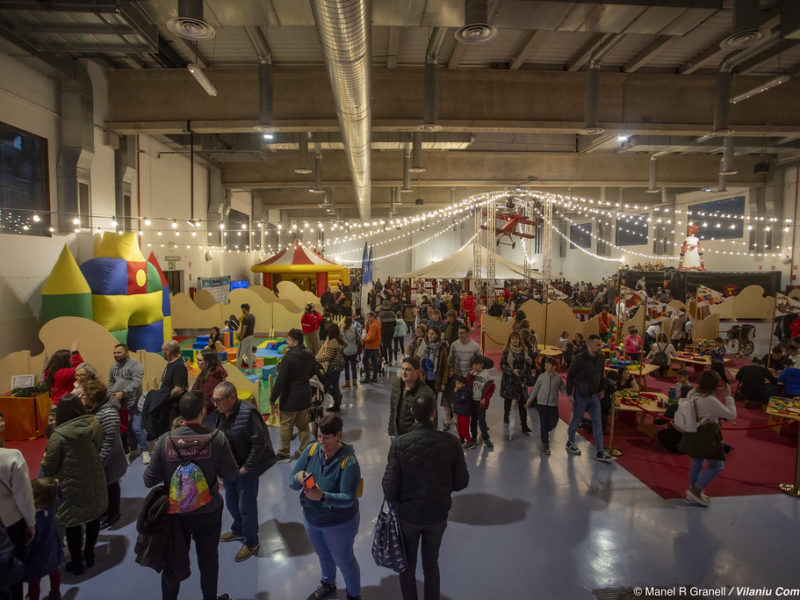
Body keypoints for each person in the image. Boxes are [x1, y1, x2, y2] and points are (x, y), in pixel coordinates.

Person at [144, 391, 238, 600]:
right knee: (208, 560)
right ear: (203, 411)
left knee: (172, 559)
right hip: (208, 510)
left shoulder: (165, 440)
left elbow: (148, 479)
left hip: (175, 512)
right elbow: (231, 474)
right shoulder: (216, 438)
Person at [382, 392, 469, 600]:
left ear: (412, 413)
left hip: (408, 517)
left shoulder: (400, 445)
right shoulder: (451, 442)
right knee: (431, 565)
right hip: (437, 515)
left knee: (407, 566)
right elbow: (462, 482)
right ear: (433, 414)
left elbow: (389, 489)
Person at [290, 414, 362, 600]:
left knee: (345, 561)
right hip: (312, 519)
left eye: (326, 438)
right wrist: (298, 478)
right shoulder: (312, 450)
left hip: (339, 524)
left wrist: (322, 496)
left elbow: (348, 498)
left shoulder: (349, 462)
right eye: (319, 436)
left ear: (338, 435)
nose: (322, 442)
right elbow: (292, 482)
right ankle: (327, 583)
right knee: (323, 555)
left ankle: (353, 595)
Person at [40, 394, 107, 576]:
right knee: (93, 516)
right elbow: (99, 444)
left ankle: (77, 562)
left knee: (73, 523)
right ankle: (90, 554)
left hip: (70, 483)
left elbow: (49, 466)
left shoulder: (58, 436)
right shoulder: (93, 424)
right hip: (93, 476)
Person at [212, 381, 275, 563]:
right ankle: (238, 529)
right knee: (231, 502)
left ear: (232, 397)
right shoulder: (222, 413)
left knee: (246, 507)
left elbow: (259, 442)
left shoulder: (248, 413)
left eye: (219, 400)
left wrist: (247, 467)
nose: (215, 404)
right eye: (214, 401)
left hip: (246, 469)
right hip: (229, 469)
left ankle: (251, 541)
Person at [682, 372, 736, 507]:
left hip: (694, 431)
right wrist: (729, 397)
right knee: (717, 465)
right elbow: (731, 415)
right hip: (708, 435)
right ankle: (696, 490)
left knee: (697, 461)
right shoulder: (710, 400)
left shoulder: (693, 393)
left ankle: (693, 491)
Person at [82, 380, 128, 530]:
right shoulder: (97, 409)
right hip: (104, 458)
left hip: (110, 460)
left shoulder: (108, 413)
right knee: (108, 486)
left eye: (84, 396)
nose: (82, 398)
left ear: (93, 398)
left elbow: (109, 443)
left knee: (111, 486)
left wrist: (100, 462)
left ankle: (113, 514)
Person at [565, 334, 616, 462]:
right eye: (597, 345)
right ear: (589, 344)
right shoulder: (579, 359)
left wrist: (603, 389)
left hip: (595, 396)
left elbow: (601, 374)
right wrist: (569, 393)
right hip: (580, 395)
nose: (600, 347)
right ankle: (570, 441)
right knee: (576, 420)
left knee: (597, 423)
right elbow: (570, 375)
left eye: (601, 345)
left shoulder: (601, 359)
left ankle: (600, 451)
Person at [270, 328, 315, 462]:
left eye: (289, 340)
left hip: (290, 396)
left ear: (295, 342)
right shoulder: (310, 354)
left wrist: (273, 397)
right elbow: (313, 371)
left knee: (286, 424)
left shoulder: (289, 358)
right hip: (305, 393)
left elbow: (281, 379)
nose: (286, 341)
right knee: (303, 424)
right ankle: (305, 450)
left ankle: (284, 453)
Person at [140, 340, 189, 454]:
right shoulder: (171, 363)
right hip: (167, 405)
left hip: (171, 407)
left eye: (162, 350)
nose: (161, 352)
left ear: (168, 352)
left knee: (171, 435)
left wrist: (162, 399)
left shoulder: (178, 366)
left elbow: (179, 389)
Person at [0, 444, 34, 600]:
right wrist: (31, 522)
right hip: (12, 523)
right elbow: (23, 496)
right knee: (13, 575)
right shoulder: (11, 457)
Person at [23, 478, 63, 600]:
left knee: (34, 581)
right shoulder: (53, 504)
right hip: (52, 546)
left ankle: (33, 597)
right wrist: (57, 486)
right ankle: (55, 593)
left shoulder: (32, 517)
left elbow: (29, 540)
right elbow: (60, 497)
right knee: (54, 571)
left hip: (36, 554)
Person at [108, 343, 144, 460]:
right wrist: (110, 393)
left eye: (119, 352)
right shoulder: (113, 367)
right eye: (114, 353)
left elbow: (137, 381)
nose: (116, 355)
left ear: (127, 353)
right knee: (125, 427)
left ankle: (144, 450)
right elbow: (111, 381)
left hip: (134, 400)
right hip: (119, 402)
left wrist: (124, 392)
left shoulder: (135, 364)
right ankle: (132, 448)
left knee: (137, 427)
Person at [388, 357, 436, 438]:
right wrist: (391, 431)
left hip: (414, 438)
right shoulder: (396, 386)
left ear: (417, 372)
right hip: (396, 436)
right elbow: (393, 411)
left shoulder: (426, 394)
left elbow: (431, 421)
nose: (404, 373)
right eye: (402, 369)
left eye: (408, 370)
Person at [527, 357, 565, 455]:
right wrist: (529, 400)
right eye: (545, 365)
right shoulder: (542, 376)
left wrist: (569, 396)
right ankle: (545, 443)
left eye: (548, 365)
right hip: (542, 403)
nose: (546, 367)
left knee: (554, 420)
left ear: (553, 367)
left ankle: (546, 429)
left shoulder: (558, 378)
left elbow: (563, 389)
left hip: (553, 403)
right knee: (543, 422)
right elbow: (535, 389)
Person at [499, 331, 532, 433]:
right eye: (513, 338)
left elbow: (528, 367)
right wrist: (511, 371)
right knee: (508, 401)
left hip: (521, 382)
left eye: (517, 338)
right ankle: (506, 415)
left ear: (519, 340)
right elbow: (502, 365)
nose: (515, 340)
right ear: (510, 340)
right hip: (509, 381)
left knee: (523, 403)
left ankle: (524, 425)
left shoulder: (524, 351)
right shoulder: (506, 352)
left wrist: (530, 363)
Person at [466, 355, 495, 449]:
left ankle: (486, 438)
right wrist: (470, 375)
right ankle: (473, 438)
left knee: (482, 421)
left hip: (481, 402)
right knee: (473, 421)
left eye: (477, 365)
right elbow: (467, 384)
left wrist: (485, 398)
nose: (475, 367)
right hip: (473, 401)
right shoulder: (472, 374)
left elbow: (490, 388)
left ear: (482, 365)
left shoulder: (486, 374)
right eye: (474, 364)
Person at [193, 349, 229, 423]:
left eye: (200, 360)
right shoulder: (207, 372)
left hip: (209, 413)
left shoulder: (212, 378)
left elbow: (209, 399)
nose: (197, 362)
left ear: (207, 363)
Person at [44, 340, 83, 405]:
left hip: (57, 403)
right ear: (65, 360)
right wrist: (75, 352)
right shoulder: (62, 373)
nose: (72, 359)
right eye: (71, 358)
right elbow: (80, 368)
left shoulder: (51, 372)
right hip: (66, 404)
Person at [318, 323, 346, 413]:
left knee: (328, 385)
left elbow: (329, 357)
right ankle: (337, 400)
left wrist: (317, 359)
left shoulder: (333, 342)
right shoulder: (339, 339)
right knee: (335, 385)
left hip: (333, 367)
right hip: (338, 366)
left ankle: (337, 400)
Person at [451, 376, 473, 448]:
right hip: (459, 412)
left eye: (459, 384)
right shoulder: (459, 391)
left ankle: (469, 441)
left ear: (464, 384)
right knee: (459, 426)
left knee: (464, 428)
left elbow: (461, 399)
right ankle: (461, 439)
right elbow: (455, 400)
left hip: (465, 413)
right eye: (456, 384)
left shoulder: (466, 391)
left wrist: (456, 392)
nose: (457, 385)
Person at [360, 312, 381, 384]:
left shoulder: (374, 325)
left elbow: (371, 337)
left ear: (372, 317)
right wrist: (367, 324)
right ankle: (374, 377)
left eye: (368, 317)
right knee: (374, 361)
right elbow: (369, 332)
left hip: (370, 346)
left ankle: (367, 377)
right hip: (375, 346)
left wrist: (363, 340)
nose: (367, 319)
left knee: (364, 360)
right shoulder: (377, 323)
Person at [341, 317, 361, 391]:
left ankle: (347, 383)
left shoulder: (343, 330)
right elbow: (359, 337)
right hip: (353, 350)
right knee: (353, 367)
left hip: (345, 350)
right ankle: (355, 382)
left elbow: (341, 340)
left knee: (346, 368)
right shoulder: (355, 329)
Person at [236, 303, 256, 370]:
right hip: (251, 336)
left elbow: (244, 328)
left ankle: (237, 369)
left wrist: (240, 337)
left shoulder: (245, 318)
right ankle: (250, 368)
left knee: (239, 354)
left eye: (242, 309)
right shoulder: (252, 316)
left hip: (245, 338)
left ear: (244, 309)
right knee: (249, 353)